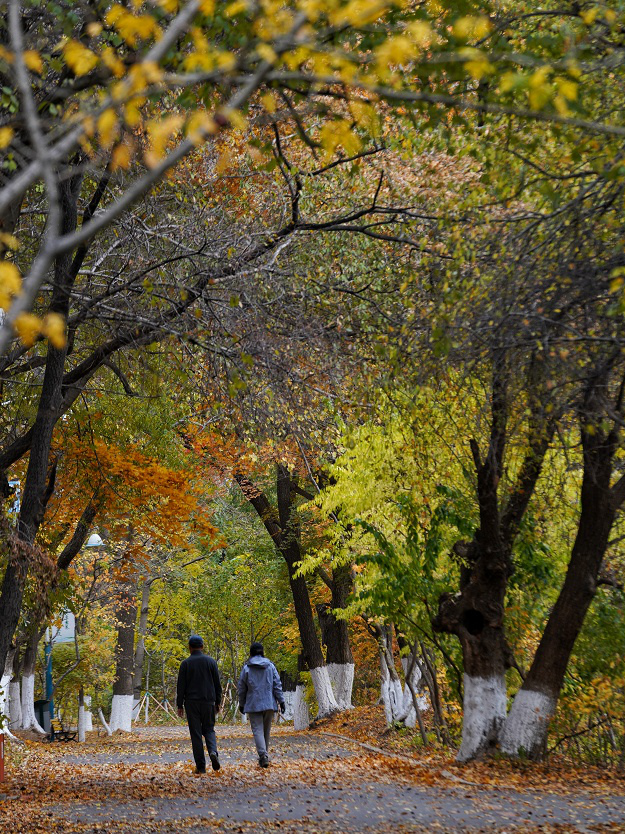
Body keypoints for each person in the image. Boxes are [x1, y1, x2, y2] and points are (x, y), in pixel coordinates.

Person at [176, 634, 222, 774]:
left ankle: (201, 767)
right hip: (208, 702)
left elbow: (181, 686)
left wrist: (180, 705)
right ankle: (213, 751)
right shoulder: (211, 662)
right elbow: (217, 685)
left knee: (196, 734)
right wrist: (218, 702)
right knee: (209, 729)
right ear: (202, 646)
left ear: (190, 647)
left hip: (191, 703)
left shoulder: (186, 663)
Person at [238, 642, 286, 768]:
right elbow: (277, 684)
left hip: (253, 704)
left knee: (257, 731)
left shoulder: (247, 668)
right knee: (266, 731)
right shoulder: (270, 666)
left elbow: (242, 687)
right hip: (269, 703)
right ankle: (264, 755)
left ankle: (263, 755)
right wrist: (281, 701)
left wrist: (241, 703)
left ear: (251, 653)